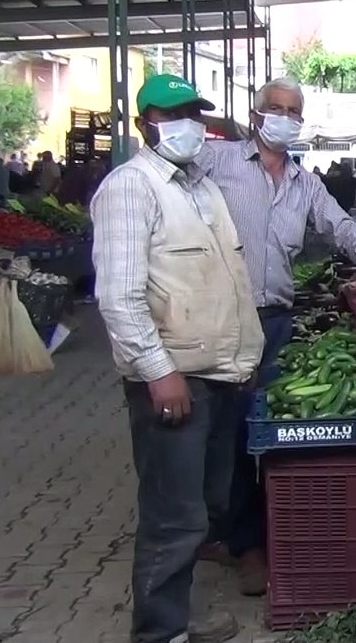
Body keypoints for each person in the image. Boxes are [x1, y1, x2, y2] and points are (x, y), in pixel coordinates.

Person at [194, 77, 356, 595]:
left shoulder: (305, 185)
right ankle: (239, 541)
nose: (283, 117)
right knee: (226, 430)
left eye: (293, 111)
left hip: (276, 320)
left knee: (268, 426)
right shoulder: (217, 164)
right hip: (221, 317)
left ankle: (269, 529)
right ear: (257, 113)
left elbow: (341, 225)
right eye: (275, 109)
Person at [91, 74, 264, 643]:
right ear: (146, 125)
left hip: (217, 375)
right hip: (173, 380)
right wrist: (159, 372)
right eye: (174, 114)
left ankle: (179, 618)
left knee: (205, 507)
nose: (190, 124)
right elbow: (118, 296)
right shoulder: (130, 187)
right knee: (173, 517)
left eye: (194, 112)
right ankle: (160, 632)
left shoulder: (200, 187)